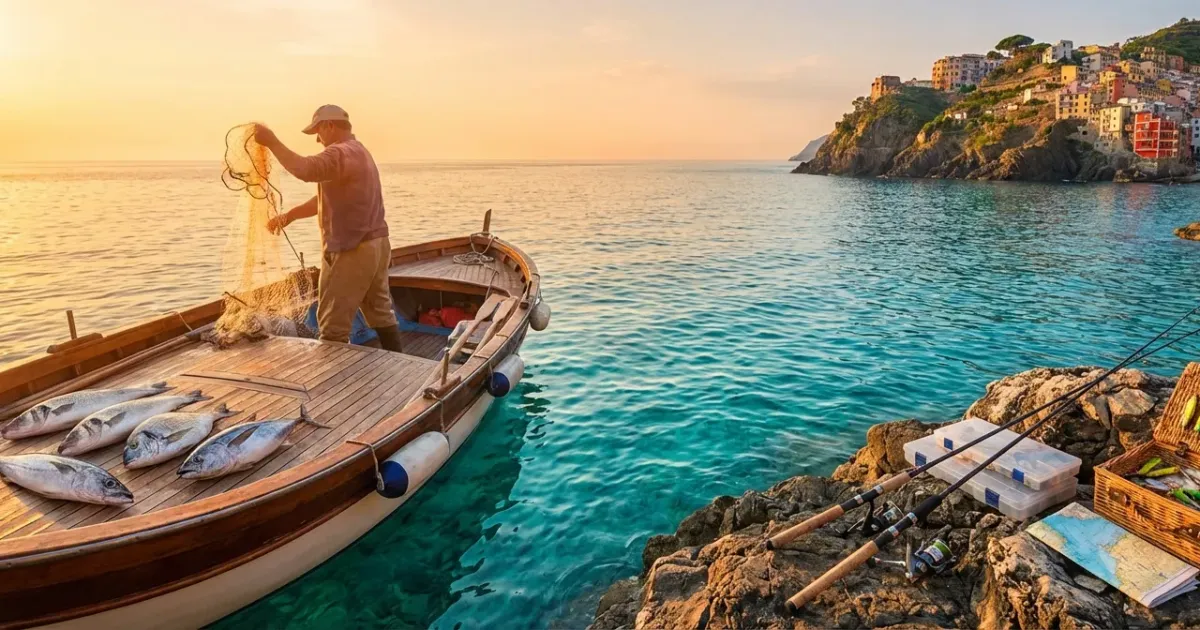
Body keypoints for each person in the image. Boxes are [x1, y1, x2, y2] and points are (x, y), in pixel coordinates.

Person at [253, 105, 404, 352]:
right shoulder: (359, 152)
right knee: (380, 310)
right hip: (376, 245)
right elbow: (323, 199)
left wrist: (271, 141)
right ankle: (398, 362)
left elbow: (305, 169)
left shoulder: (341, 153)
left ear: (329, 126)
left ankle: (333, 382)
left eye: (317, 131)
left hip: (351, 249)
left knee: (332, 325)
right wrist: (289, 216)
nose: (316, 139)